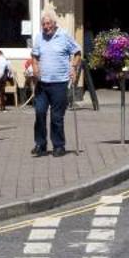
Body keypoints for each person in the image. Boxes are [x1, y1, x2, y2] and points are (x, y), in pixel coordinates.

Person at [28, 11, 81, 157]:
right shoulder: (39, 37)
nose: (46, 27)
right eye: (43, 24)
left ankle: (58, 145)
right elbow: (34, 56)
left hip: (59, 82)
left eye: (48, 24)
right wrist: (36, 67)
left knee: (57, 116)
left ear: (54, 24)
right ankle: (40, 144)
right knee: (39, 113)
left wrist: (73, 67)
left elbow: (77, 52)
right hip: (42, 83)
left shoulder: (64, 35)